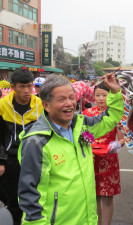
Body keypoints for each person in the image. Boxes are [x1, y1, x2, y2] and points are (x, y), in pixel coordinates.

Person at [17, 74, 124, 225]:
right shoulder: (36, 142)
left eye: (71, 98)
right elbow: (30, 195)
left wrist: (115, 92)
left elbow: (112, 117)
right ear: (46, 105)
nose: (69, 104)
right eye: (61, 99)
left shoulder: (82, 125)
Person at [0, 68, 43, 225]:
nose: (27, 91)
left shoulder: (40, 104)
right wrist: (1, 161)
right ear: (12, 87)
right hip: (11, 160)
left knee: (36, 198)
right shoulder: (3, 105)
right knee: (13, 201)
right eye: (22, 86)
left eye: (29, 86)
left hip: (35, 159)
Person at [82, 83, 125, 225]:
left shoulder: (116, 113)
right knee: (93, 198)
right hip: (90, 159)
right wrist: (84, 138)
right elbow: (80, 133)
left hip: (109, 159)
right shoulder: (86, 114)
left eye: (104, 95)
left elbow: (123, 137)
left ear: (110, 96)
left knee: (107, 198)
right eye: (97, 95)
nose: (101, 98)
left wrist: (118, 144)